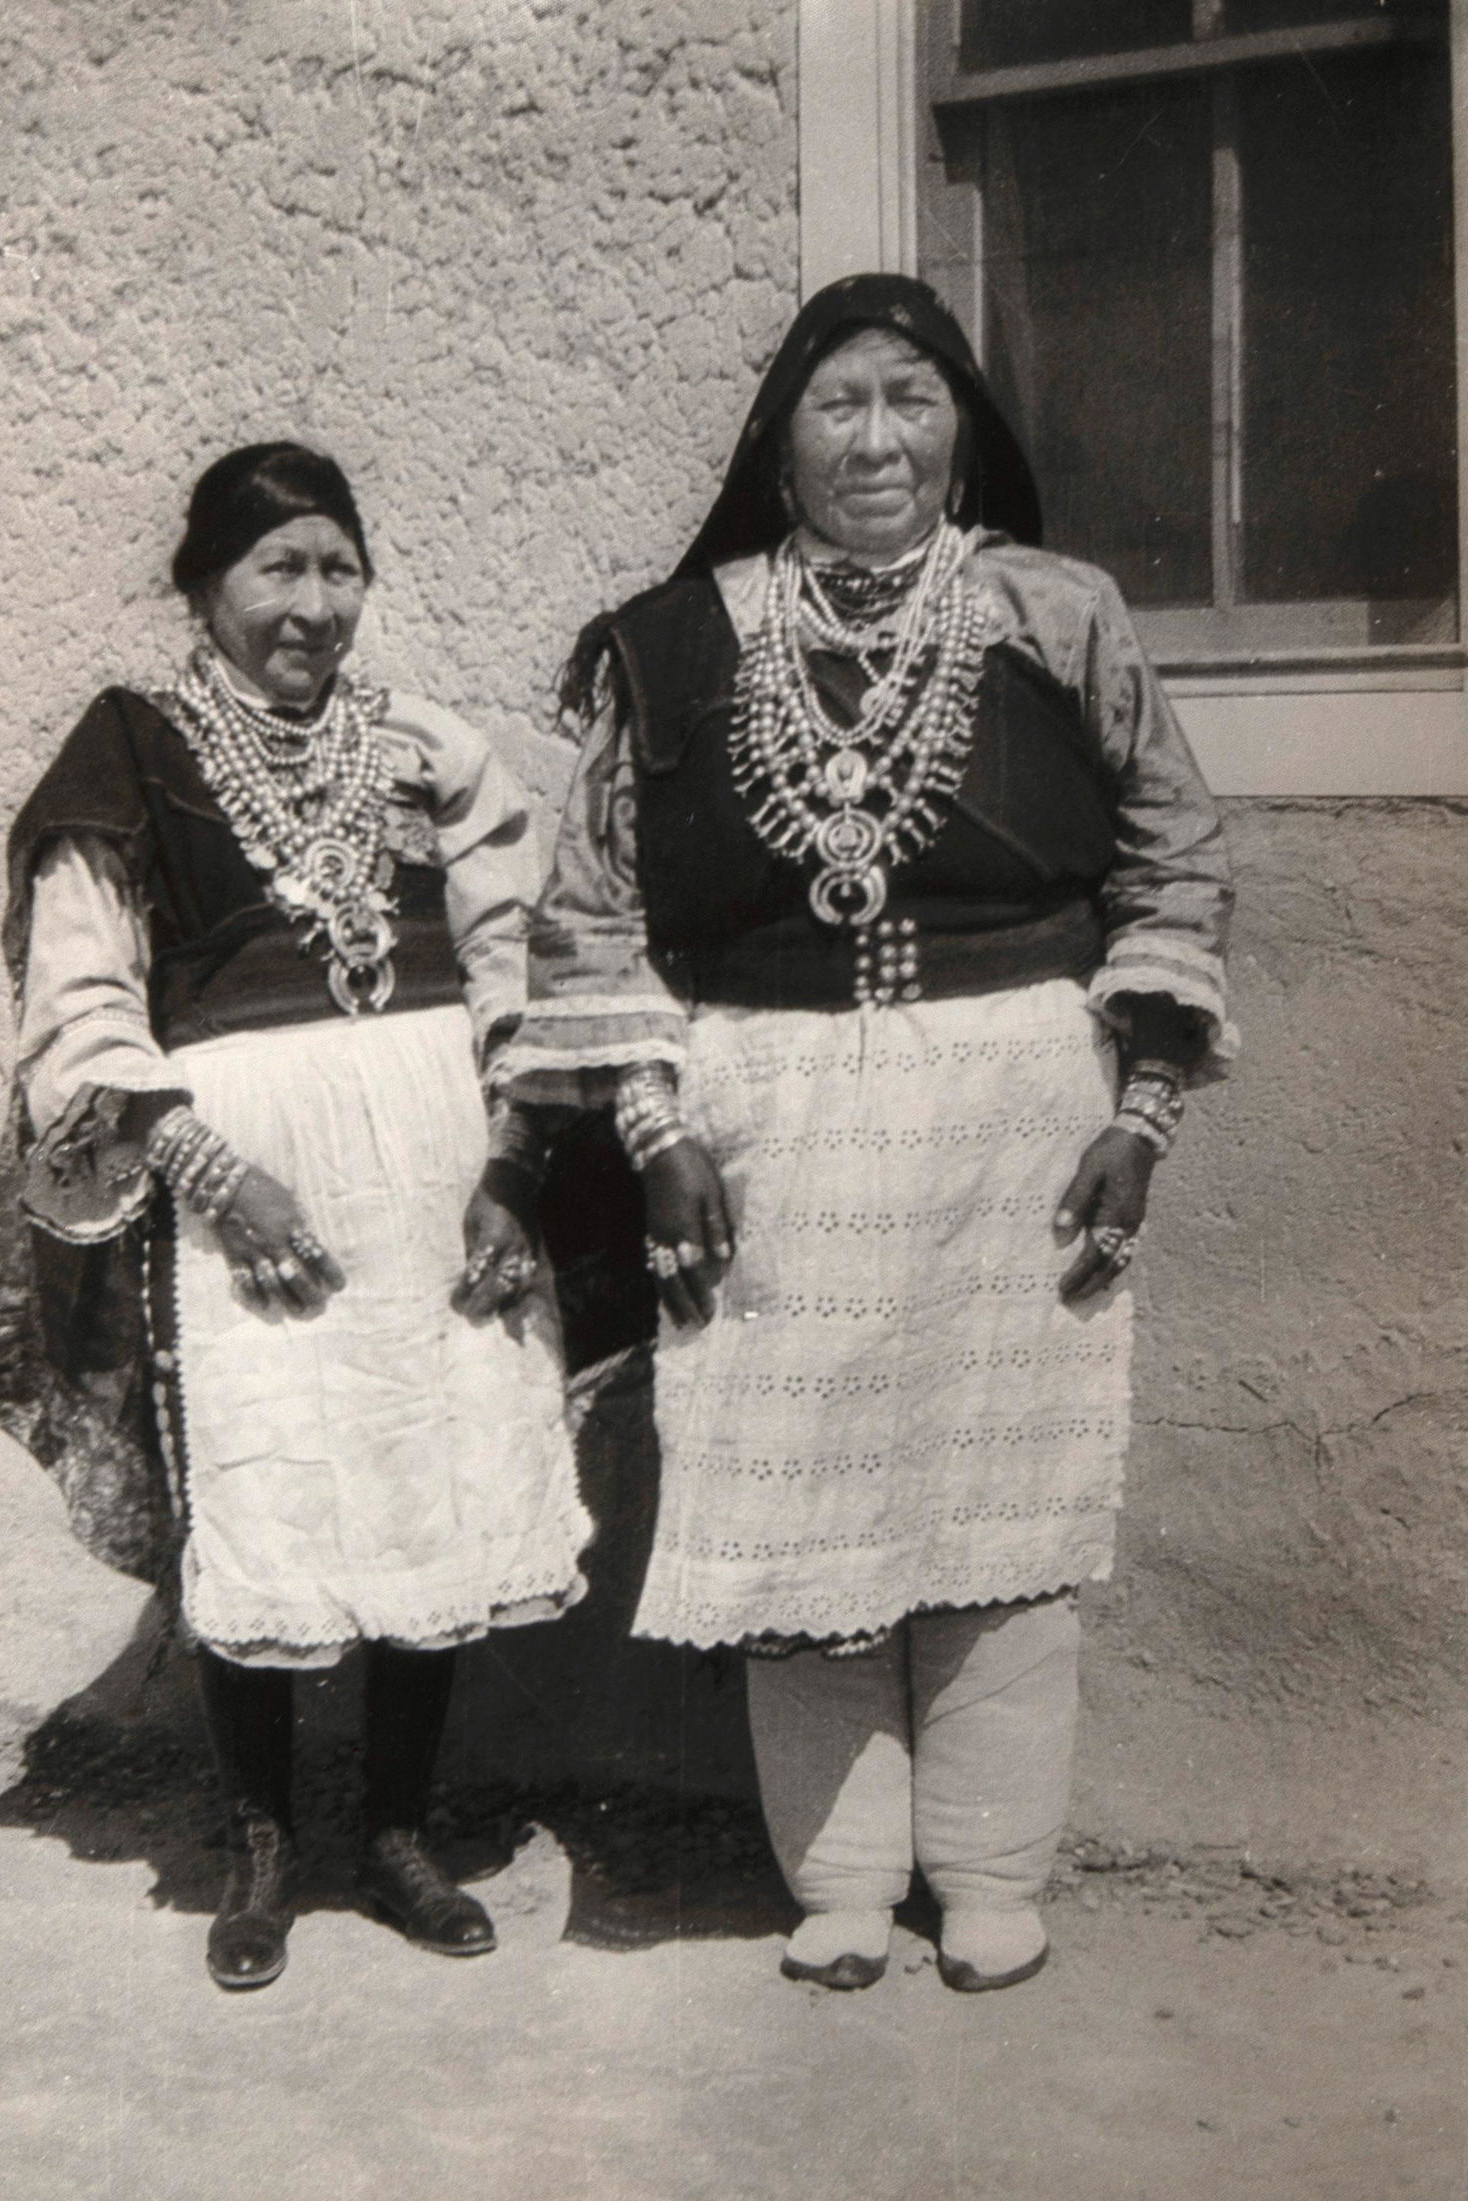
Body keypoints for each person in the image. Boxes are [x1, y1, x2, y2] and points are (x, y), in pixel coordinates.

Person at [489, 276, 1234, 1995]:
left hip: (1015, 1124)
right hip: (772, 1128)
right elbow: (591, 916)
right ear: (780, 441)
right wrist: (658, 1125)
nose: (879, 438)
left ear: (962, 422)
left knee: (1001, 1506)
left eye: (912, 397)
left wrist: (1142, 1112)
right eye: (841, 404)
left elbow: (1176, 858)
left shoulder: (1063, 615)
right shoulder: (671, 646)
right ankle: (837, 1879)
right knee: (792, 1509)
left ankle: (986, 1871)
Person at [0, 443, 589, 1991]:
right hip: (244, 1175)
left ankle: (395, 1830)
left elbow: (519, 959)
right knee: (266, 1482)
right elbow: (83, 998)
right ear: (203, 587)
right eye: (276, 570)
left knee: (423, 1471)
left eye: (338, 569)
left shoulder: (431, 749)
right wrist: (219, 1181)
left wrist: (512, 1165)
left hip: (433, 1165)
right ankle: (260, 1844)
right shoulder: (133, 750)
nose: (312, 605)